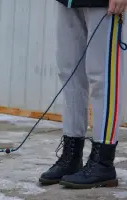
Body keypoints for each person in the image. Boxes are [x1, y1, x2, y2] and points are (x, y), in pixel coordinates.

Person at [39, 0, 127, 189]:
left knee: (103, 76)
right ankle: (72, 155)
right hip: (68, 2)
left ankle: (103, 161)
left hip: (103, 4)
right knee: (69, 73)